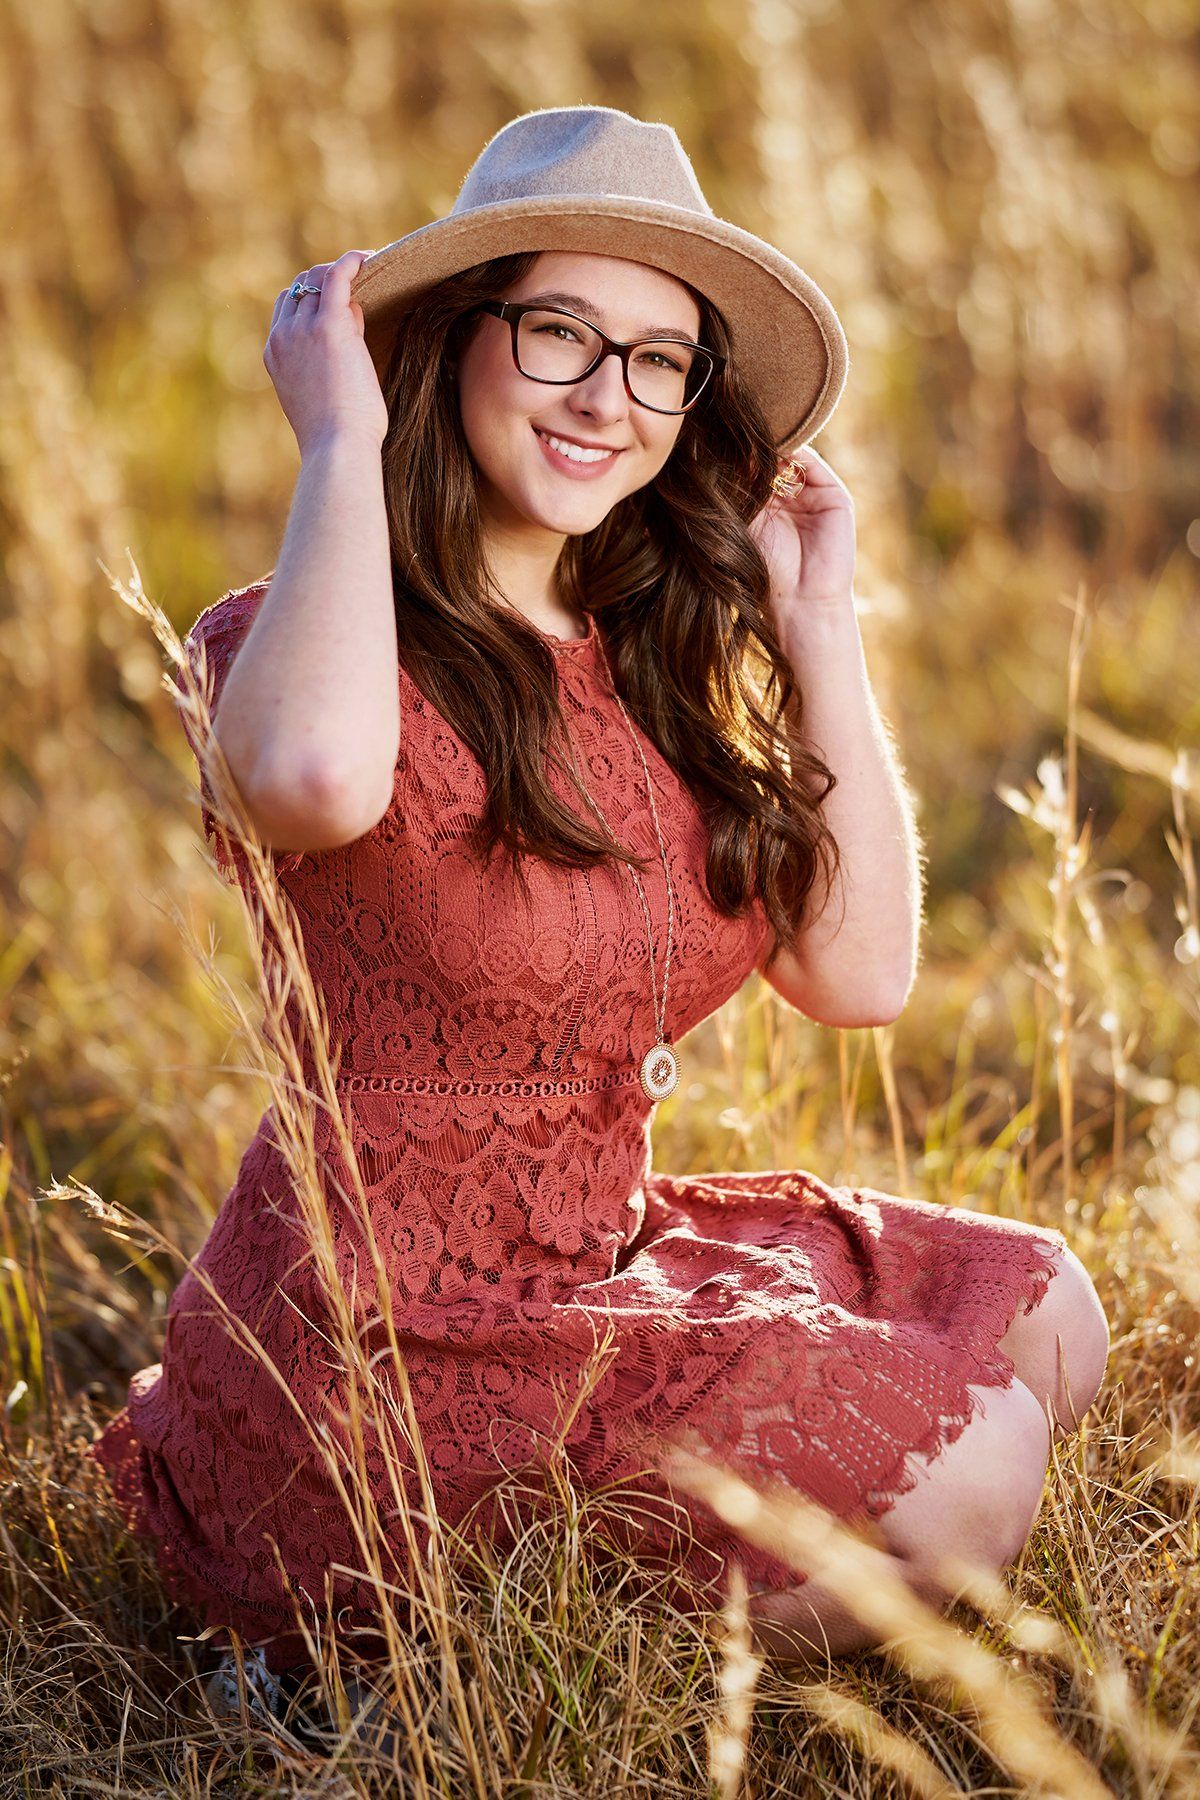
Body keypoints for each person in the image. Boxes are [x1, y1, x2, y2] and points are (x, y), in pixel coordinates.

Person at [88, 107, 1110, 1703]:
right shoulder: (303, 630)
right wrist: (339, 447)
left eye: (658, 360)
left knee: (1053, 1318)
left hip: (596, 1256)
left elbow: (860, 977)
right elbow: (302, 777)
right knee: (976, 1475)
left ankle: (544, 1592)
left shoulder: (650, 649)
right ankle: (400, 1664)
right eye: (560, 331)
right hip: (383, 1338)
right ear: (454, 338)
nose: (606, 400)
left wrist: (820, 621)